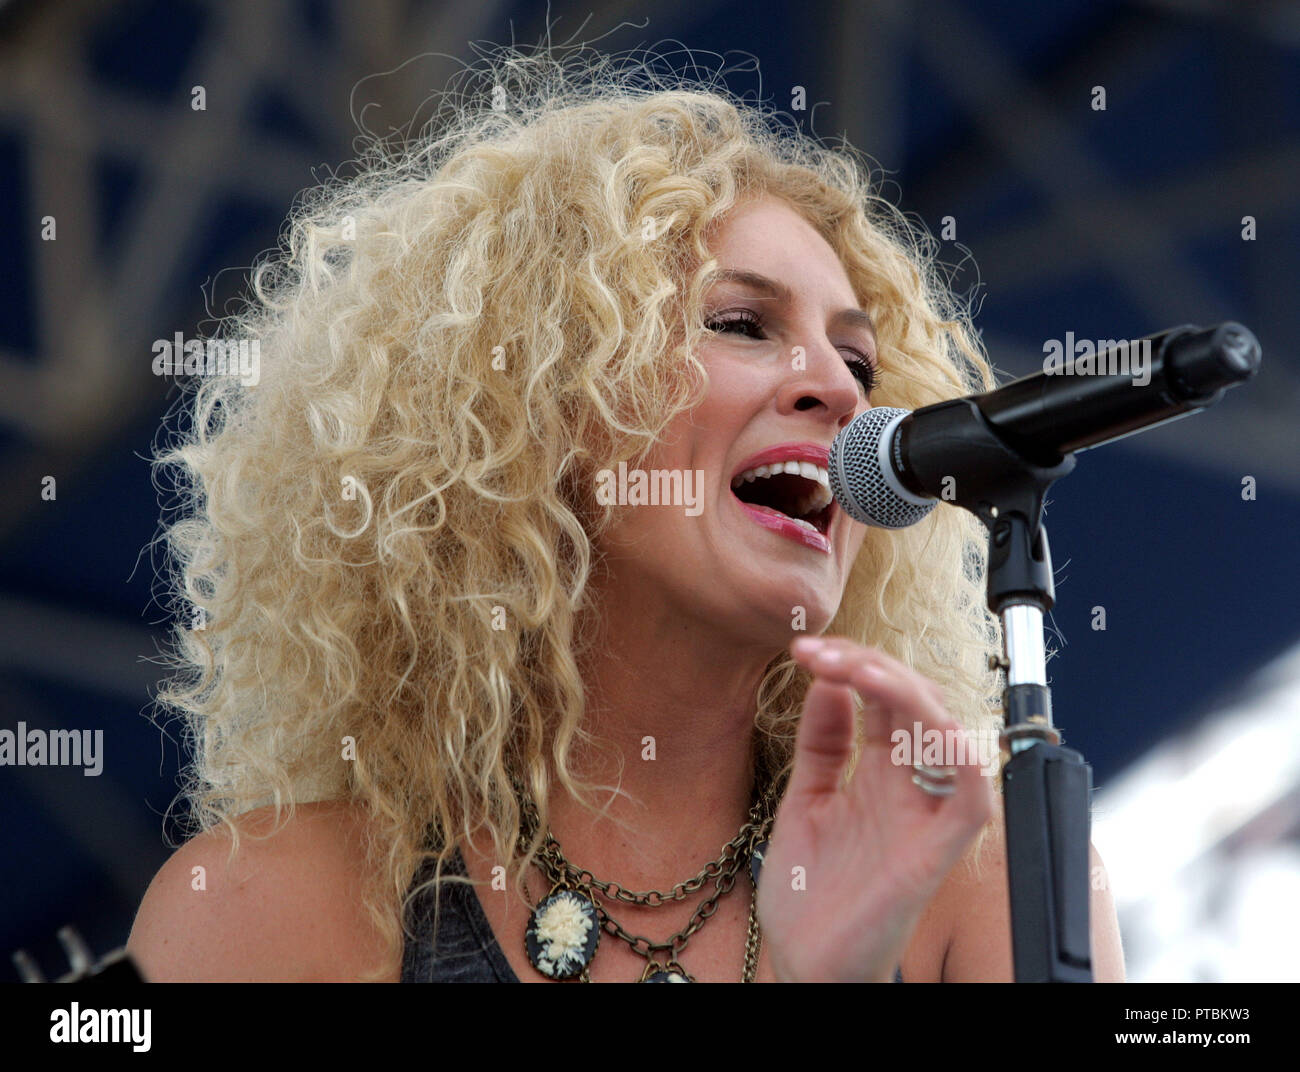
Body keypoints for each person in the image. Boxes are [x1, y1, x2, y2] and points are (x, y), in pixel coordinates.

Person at [128, 46, 1124, 983]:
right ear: (533, 404)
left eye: (859, 362)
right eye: (741, 324)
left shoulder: (982, 874)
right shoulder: (270, 909)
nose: (837, 388)